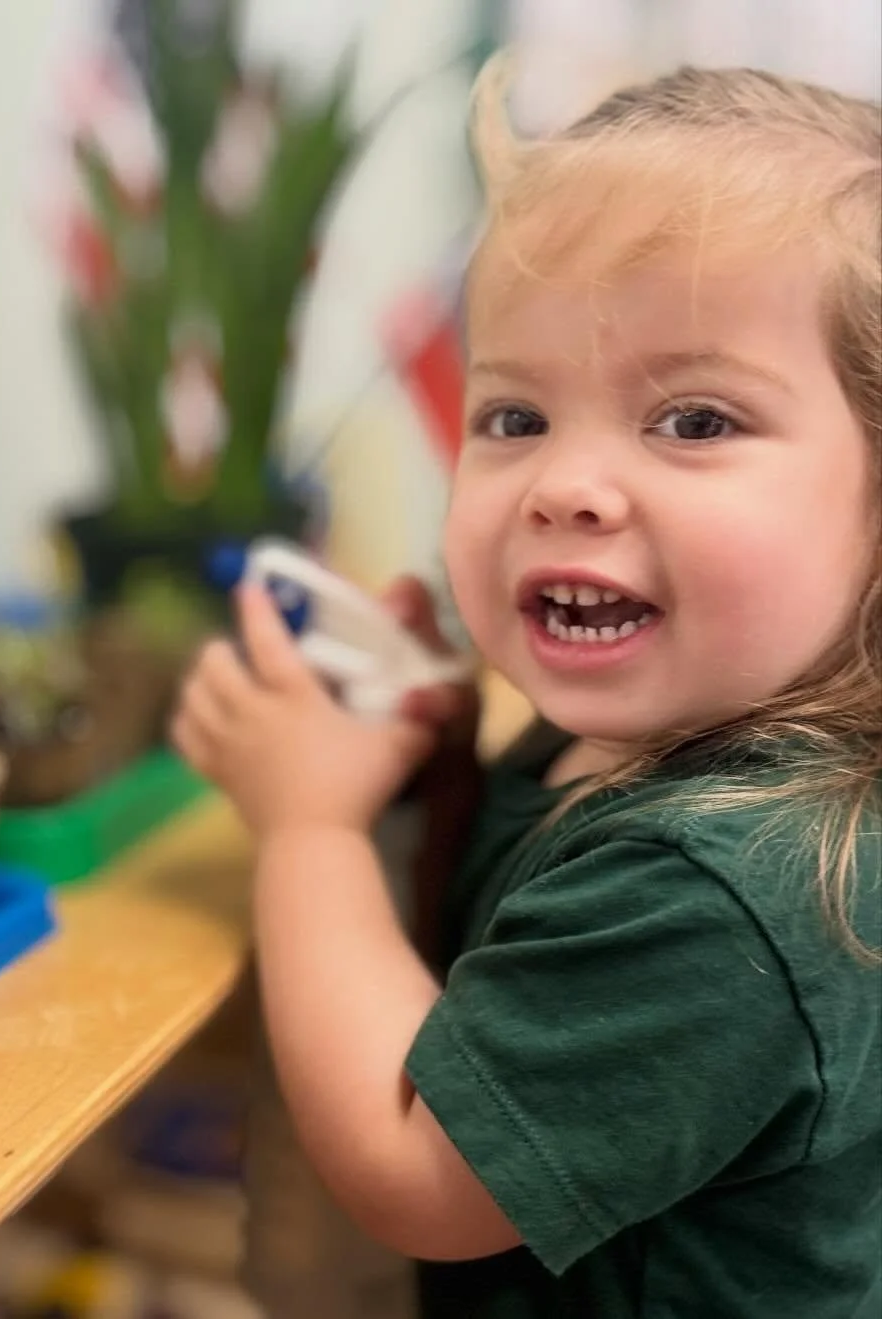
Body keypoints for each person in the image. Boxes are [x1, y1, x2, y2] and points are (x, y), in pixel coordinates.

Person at [172, 62, 881, 1318]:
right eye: (513, 416)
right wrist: (438, 758)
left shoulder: (727, 888)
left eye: (696, 420)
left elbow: (414, 1167)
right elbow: (504, 932)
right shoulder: (617, 734)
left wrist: (308, 826)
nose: (565, 484)